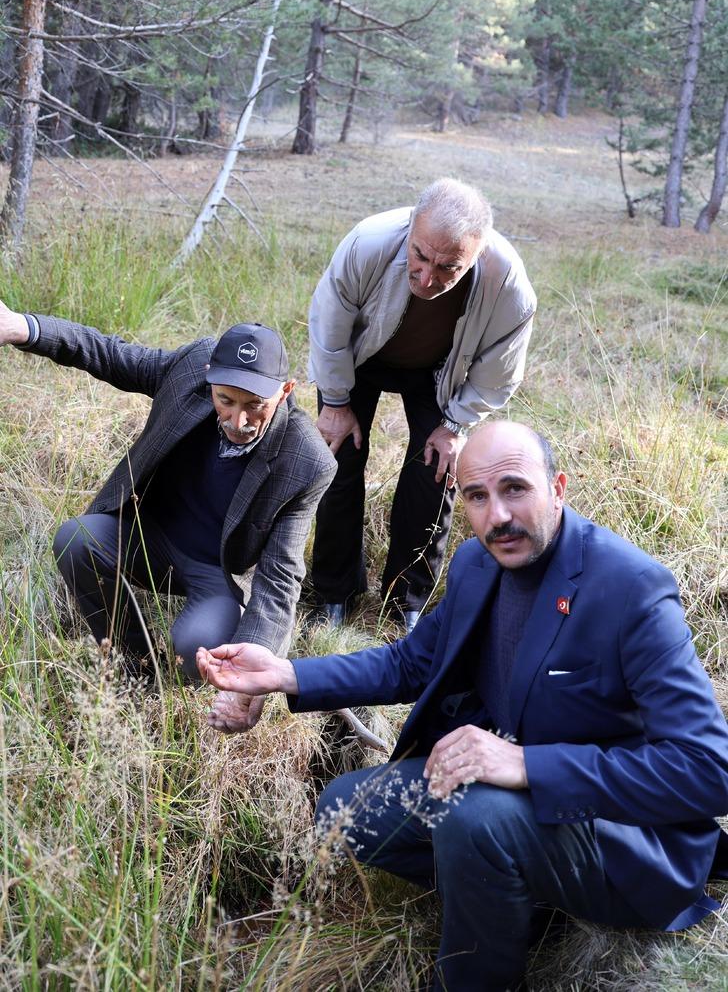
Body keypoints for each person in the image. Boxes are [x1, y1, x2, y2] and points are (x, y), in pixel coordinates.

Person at [196, 420, 728, 990]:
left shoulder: (632, 590)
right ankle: (511, 896)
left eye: (515, 489)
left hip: (616, 837)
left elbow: (708, 770)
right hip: (509, 808)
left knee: (474, 818)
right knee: (348, 809)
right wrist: (285, 674)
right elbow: (411, 663)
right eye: (476, 496)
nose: (497, 516)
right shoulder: (478, 564)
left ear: (559, 488)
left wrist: (525, 765)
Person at [0, 299, 336, 731]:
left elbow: (279, 579)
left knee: (196, 650)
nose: (239, 420)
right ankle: (136, 671)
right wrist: (24, 327)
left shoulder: (307, 462)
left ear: (285, 390)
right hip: (147, 535)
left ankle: (177, 667)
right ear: (210, 379)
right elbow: (108, 353)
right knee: (76, 539)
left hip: (213, 571)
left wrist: (249, 680)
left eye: (256, 405)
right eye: (226, 400)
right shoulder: (190, 367)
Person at [308, 177, 536, 630]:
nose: (429, 278)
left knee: (437, 471)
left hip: (439, 369)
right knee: (339, 459)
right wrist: (335, 402)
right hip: (360, 357)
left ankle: (405, 601)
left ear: (477, 253)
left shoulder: (507, 284)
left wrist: (455, 425)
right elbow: (329, 324)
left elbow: (499, 372)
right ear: (412, 227)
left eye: (449, 267)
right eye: (420, 256)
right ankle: (334, 593)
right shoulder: (368, 243)